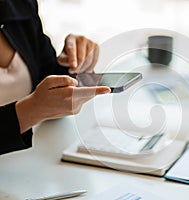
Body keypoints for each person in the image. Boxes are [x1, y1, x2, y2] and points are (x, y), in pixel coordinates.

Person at [0, 0, 111, 155]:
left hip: (28, 163)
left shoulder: (19, 6)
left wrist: (71, 65)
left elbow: (44, 80)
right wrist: (29, 112)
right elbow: (37, 106)